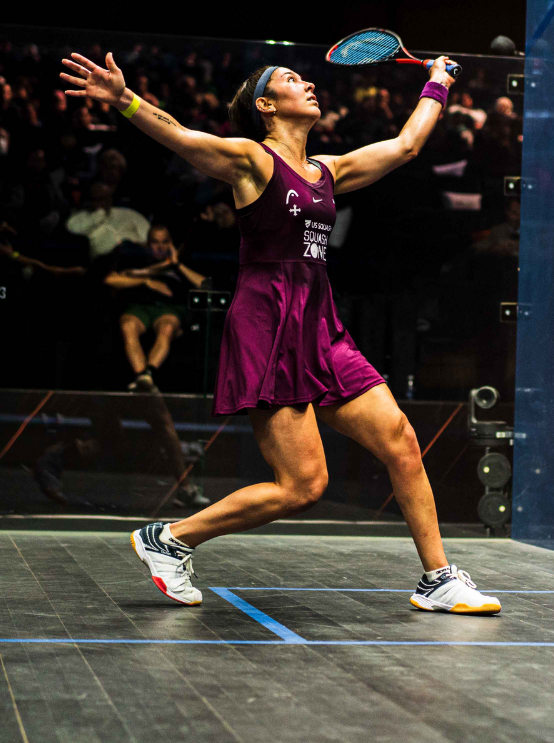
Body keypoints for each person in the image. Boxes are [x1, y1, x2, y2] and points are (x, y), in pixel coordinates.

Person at [61, 50, 500, 616]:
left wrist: (438, 82)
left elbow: (405, 147)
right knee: (302, 486)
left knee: (402, 441)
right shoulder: (252, 161)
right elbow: (185, 138)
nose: (308, 83)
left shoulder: (327, 171)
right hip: (267, 325)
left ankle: (437, 578)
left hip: (322, 326)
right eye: (293, 80)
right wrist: (125, 99)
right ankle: (168, 540)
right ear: (266, 106)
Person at [105, 224, 208, 392]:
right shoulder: (137, 260)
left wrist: (177, 264)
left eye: (164, 242)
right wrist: (147, 279)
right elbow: (113, 278)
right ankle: (143, 379)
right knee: (127, 326)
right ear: (147, 244)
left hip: (170, 308)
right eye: (154, 242)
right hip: (141, 307)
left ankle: (146, 375)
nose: (160, 247)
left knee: (166, 327)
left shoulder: (183, 263)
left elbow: (207, 286)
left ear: (171, 243)